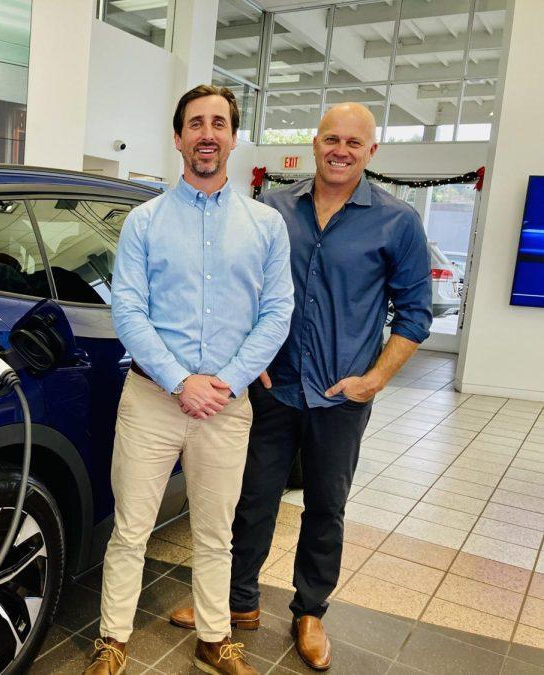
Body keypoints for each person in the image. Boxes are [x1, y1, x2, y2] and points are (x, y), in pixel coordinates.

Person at [169, 103, 433, 671]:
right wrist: (248, 359)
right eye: (331, 139)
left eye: (353, 143)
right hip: (273, 387)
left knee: (326, 507)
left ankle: (309, 612)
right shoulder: (273, 208)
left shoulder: (397, 221)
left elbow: (415, 314)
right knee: (252, 498)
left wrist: (375, 380)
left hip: (341, 396)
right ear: (314, 144)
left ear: (371, 152)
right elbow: (246, 290)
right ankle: (233, 603)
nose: (341, 150)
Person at [84, 85, 294, 675]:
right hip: (151, 398)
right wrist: (182, 381)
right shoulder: (145, 222)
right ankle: (112, 641)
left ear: (233, 136)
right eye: (196, 123)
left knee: (216, 532)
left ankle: (213, 638)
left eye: (219, 123)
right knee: (130, 529)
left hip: (227, 405)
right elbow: (127, 310)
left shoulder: (265, 226)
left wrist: (223, 382)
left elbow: (277, 313)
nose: (207, 133)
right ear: (178, 137)